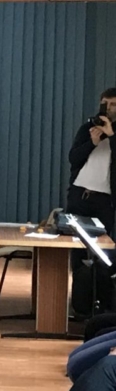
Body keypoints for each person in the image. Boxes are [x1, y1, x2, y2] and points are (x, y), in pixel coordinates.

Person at [68, 88, 116, 316]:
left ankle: (103, 308)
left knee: (104, 255)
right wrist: (92, 142)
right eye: (105, 103)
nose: (108, 108)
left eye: (113, 104)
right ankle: (80, 306)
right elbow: (73, 158)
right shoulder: (88, 128)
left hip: (105, 202)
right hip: (80, 196)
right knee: (76, 253)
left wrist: (111, 135)